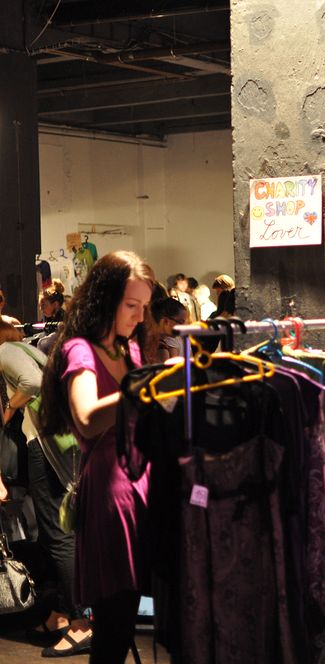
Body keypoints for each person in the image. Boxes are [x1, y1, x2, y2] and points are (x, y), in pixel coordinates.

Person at [39, 250, 156, 663]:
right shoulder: (81, 351)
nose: (140, 316)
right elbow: (87, 419)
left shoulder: (129, 351)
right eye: (131, 305)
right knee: (113, 626)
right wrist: (145, 390)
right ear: (106, 300)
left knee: (125, 620)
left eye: (144, 307)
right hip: (111, 497)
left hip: (139, 487)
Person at [0, 322, 92, 657]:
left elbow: (33, 383)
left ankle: (82, 622)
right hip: (62, 441)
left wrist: (10, 407)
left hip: (46, 443)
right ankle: (62, 614)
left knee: (57, 532)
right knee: (60, 529)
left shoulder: (4, 351)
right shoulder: (29, 349)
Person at [146, 297, 188, 363]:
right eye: (181, 322)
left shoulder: (153, 340)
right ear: (165, 321)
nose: (184, 326)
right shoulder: (160, 349)